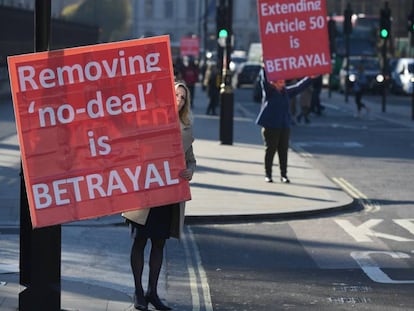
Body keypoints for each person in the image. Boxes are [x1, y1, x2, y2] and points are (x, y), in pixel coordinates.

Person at [122, 82, 196, 311]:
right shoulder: (150, 118)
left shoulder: (186, 126)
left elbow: (191, 158)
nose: (179, 100)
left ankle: (152, 293)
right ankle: (138, 293)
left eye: (183, 98)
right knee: (139, 241)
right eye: (176, 95)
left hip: (169, 195)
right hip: (145, 191)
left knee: (159, 244)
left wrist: (190, 171)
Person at [256, 68, 312, 183]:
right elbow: (264, 81)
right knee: (270, 150)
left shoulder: (286, 92)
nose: (283, 83)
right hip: (271, 126)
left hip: (284, 125)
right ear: (274, 83)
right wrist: (265, 68)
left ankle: (284, 175)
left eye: (283, 81)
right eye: (280, 82)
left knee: (283, 151)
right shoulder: (269, 92)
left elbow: (299, 87)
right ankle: (268, 174)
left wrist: (310, 77)